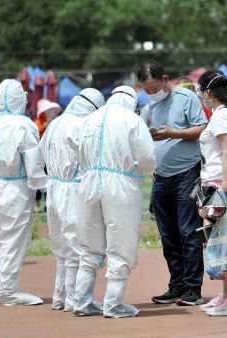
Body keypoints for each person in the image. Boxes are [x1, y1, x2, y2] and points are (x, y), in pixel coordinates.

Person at [73, 86, 155, 318]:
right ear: (131, 101)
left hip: (88, 183)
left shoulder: (88, 119)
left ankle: (82, 301)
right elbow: (147, 159)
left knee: (89, 246)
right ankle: (113, 303)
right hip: (120, 185)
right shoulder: (132, 119)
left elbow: (78, 155)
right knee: (121, 243)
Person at [138, 60, 208, 306]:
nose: (151, 93)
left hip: (187, 173)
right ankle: (175, 284)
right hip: (161, 176)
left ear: (165, 79)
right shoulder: (150, 105)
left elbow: (202, 128)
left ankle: (192, 288)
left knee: (189, 232)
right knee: (167, 235)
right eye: (146, 90)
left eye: (154, 87)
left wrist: (173, 133)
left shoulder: (186, 98)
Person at [0, 79, 49, 306]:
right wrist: (46, 184)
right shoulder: (24, 124)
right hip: (13, 188)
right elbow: (33, 161)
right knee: (12, 238)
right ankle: (8, 291)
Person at [39, 89, 105, 311]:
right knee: (78, 246)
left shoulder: (56, 123)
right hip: (74, 189)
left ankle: (60, 296)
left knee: (62, 247)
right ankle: (75, 299)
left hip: (54, 187)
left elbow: (41, 156)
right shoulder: (81, 126)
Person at [194, 70, 227, 316]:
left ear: (207, 92)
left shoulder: (222, 116)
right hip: (218, 182)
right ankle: (226, 294)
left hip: (221, 184)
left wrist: (223, 191)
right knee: (220, 240)